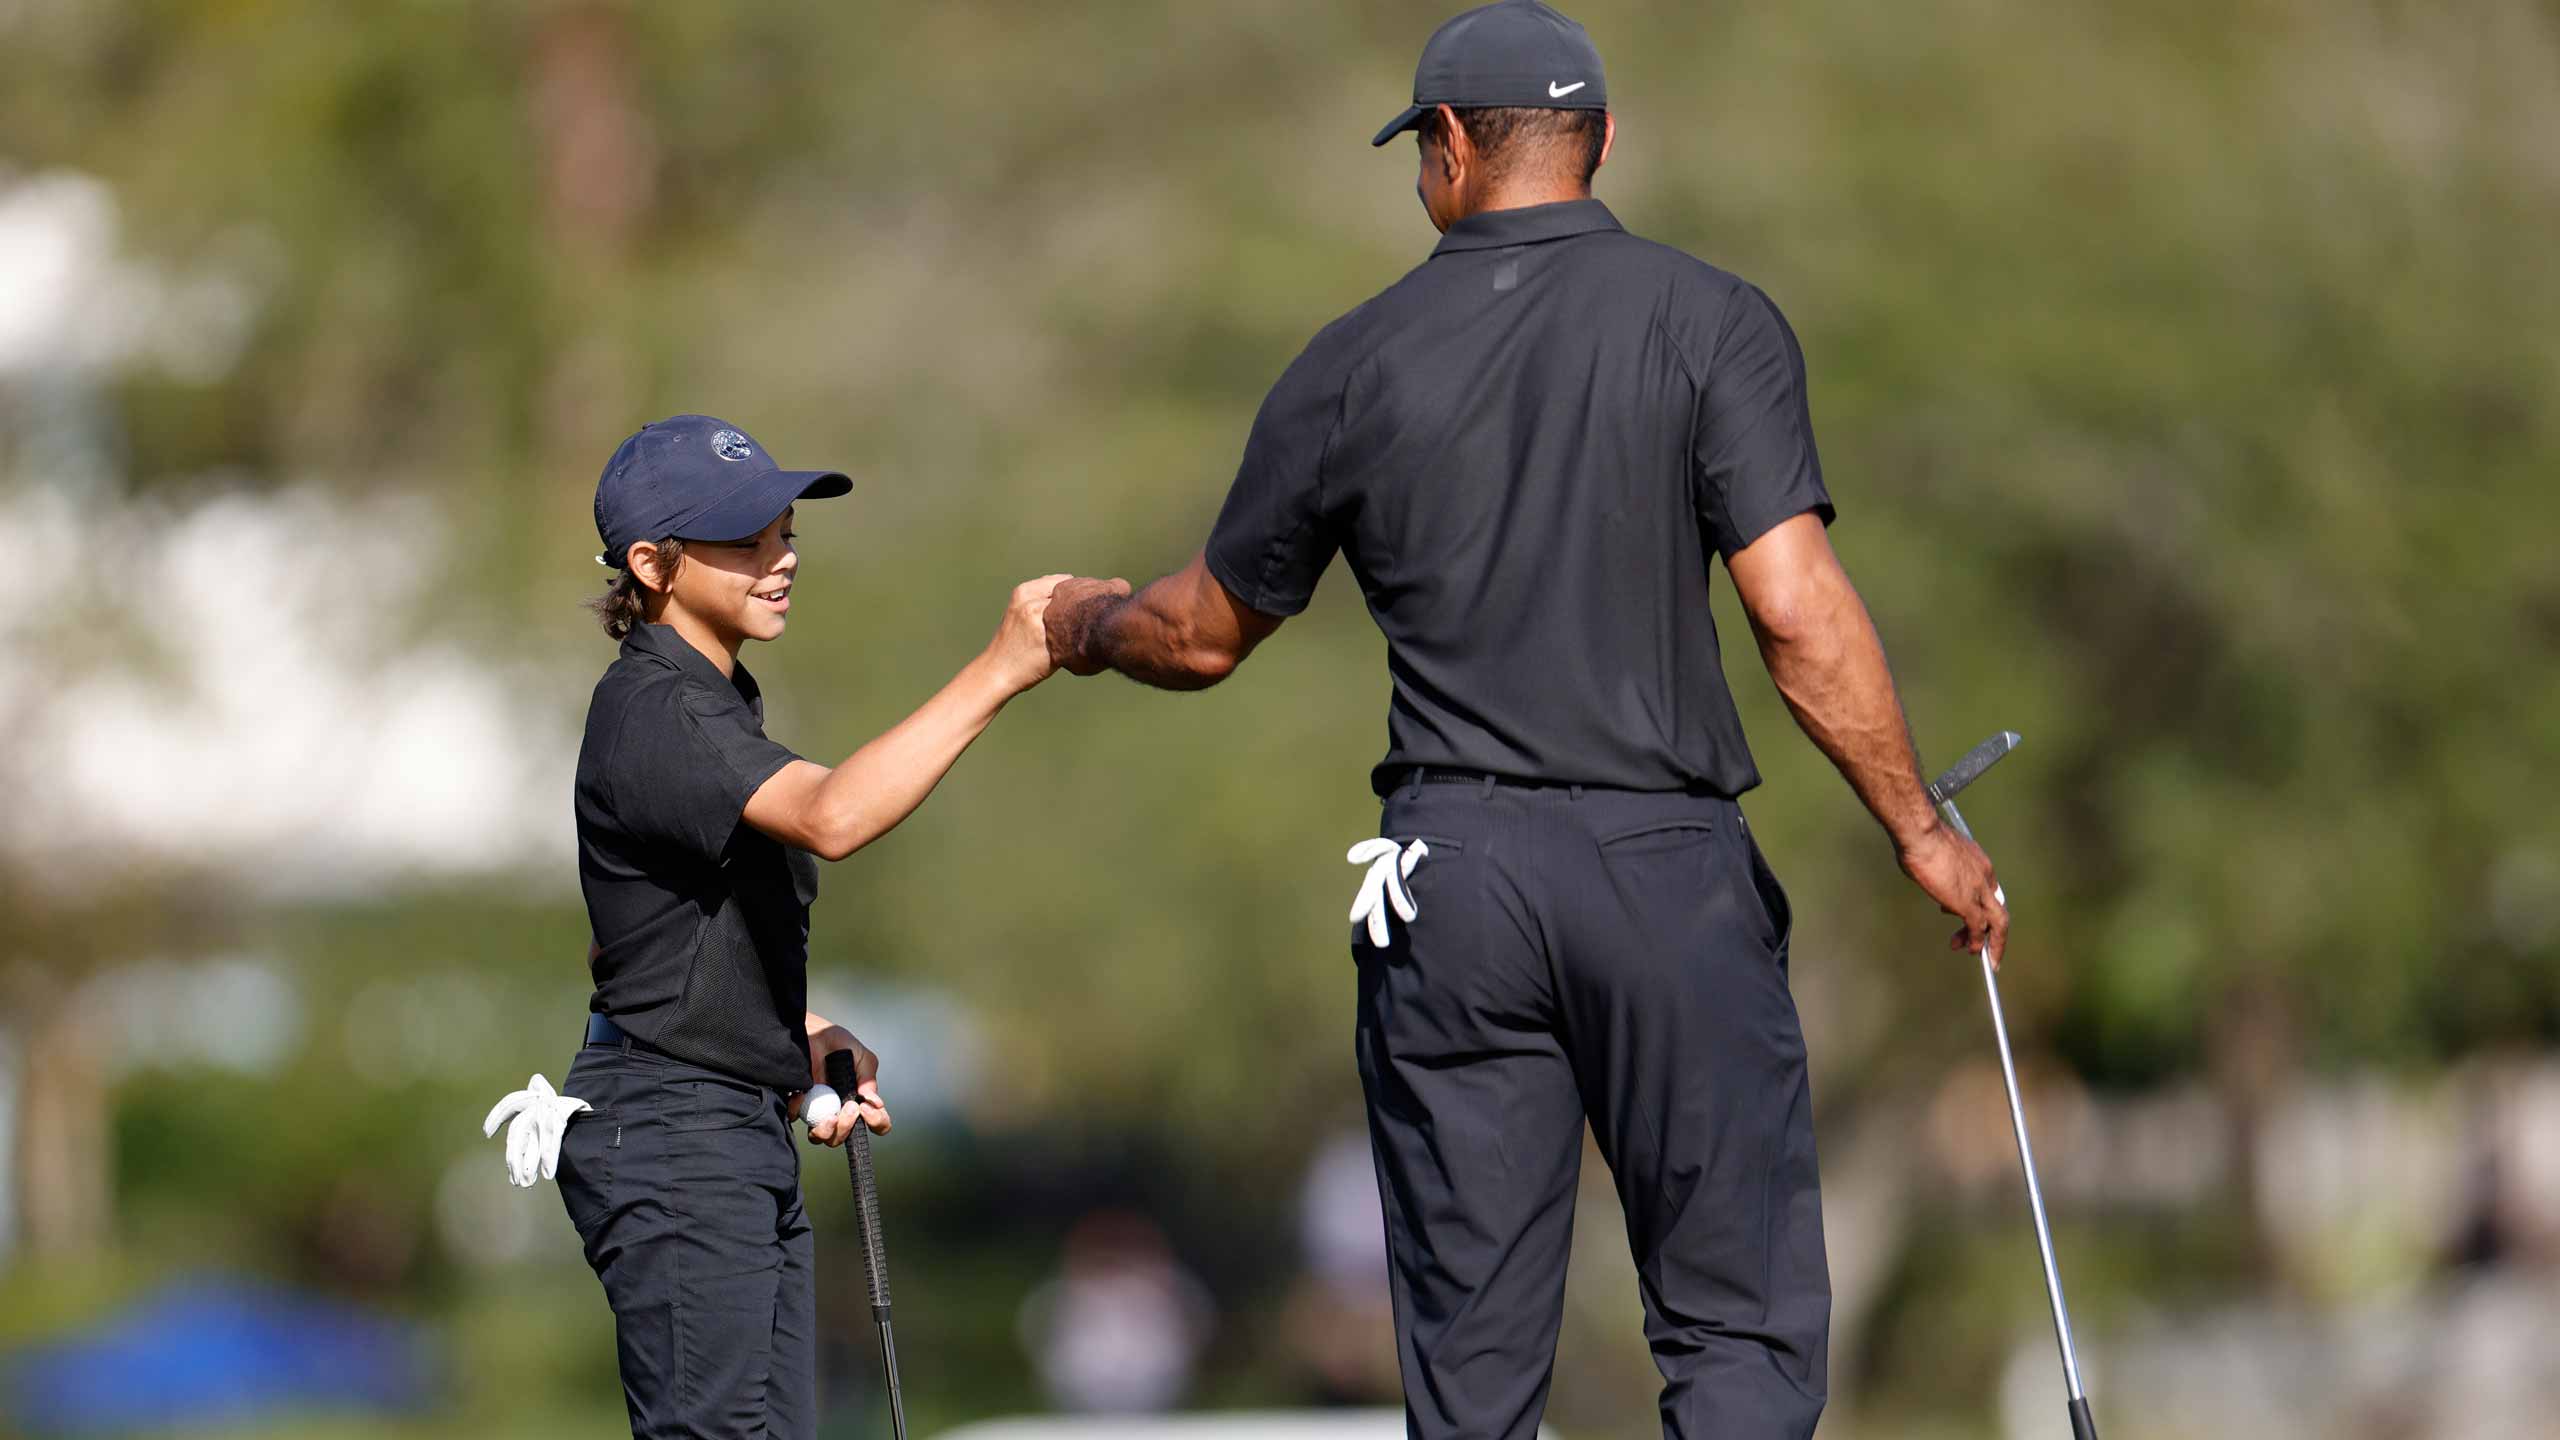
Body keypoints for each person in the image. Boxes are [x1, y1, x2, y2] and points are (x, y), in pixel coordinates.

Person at [1040, 4, 2007, 1437]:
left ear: (1445, 144)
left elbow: (1199, 635)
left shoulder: (1355, 358)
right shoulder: (1710, 320)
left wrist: (1085, 627)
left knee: (1472, 1375)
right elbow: (1797, 613)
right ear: (1600, 141)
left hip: (1449, 883)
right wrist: (1918, 827)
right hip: (1665, 869)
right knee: (1735, 1333)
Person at [553, 413, 1063, 1439]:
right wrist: (1004, 666)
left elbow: (639, 942)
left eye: (785, 533)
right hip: (675, 1133)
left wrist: (788, 1033)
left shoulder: (710, 701)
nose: (782, 558)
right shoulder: (660, 707)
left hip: (716, 1119)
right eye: (745, 540)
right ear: (651, 565)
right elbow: (833, 816)